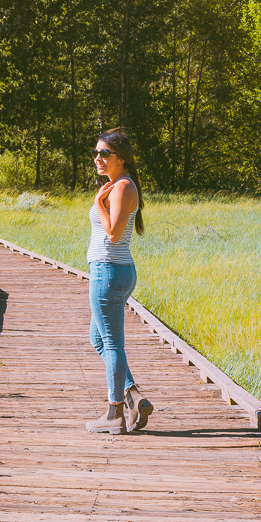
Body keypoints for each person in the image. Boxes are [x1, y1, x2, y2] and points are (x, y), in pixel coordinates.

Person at [85, 128, 153, 435]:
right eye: (96, 153)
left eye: (105, 153)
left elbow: (112, 234)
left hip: (108, 270)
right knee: (98, 338)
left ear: (121, 158)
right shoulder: (117, 185)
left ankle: (114, 414)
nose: (98, 158)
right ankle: (133, 396)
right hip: (113, 270)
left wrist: (99, 203)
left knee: (111, 343)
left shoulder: (122, 187)